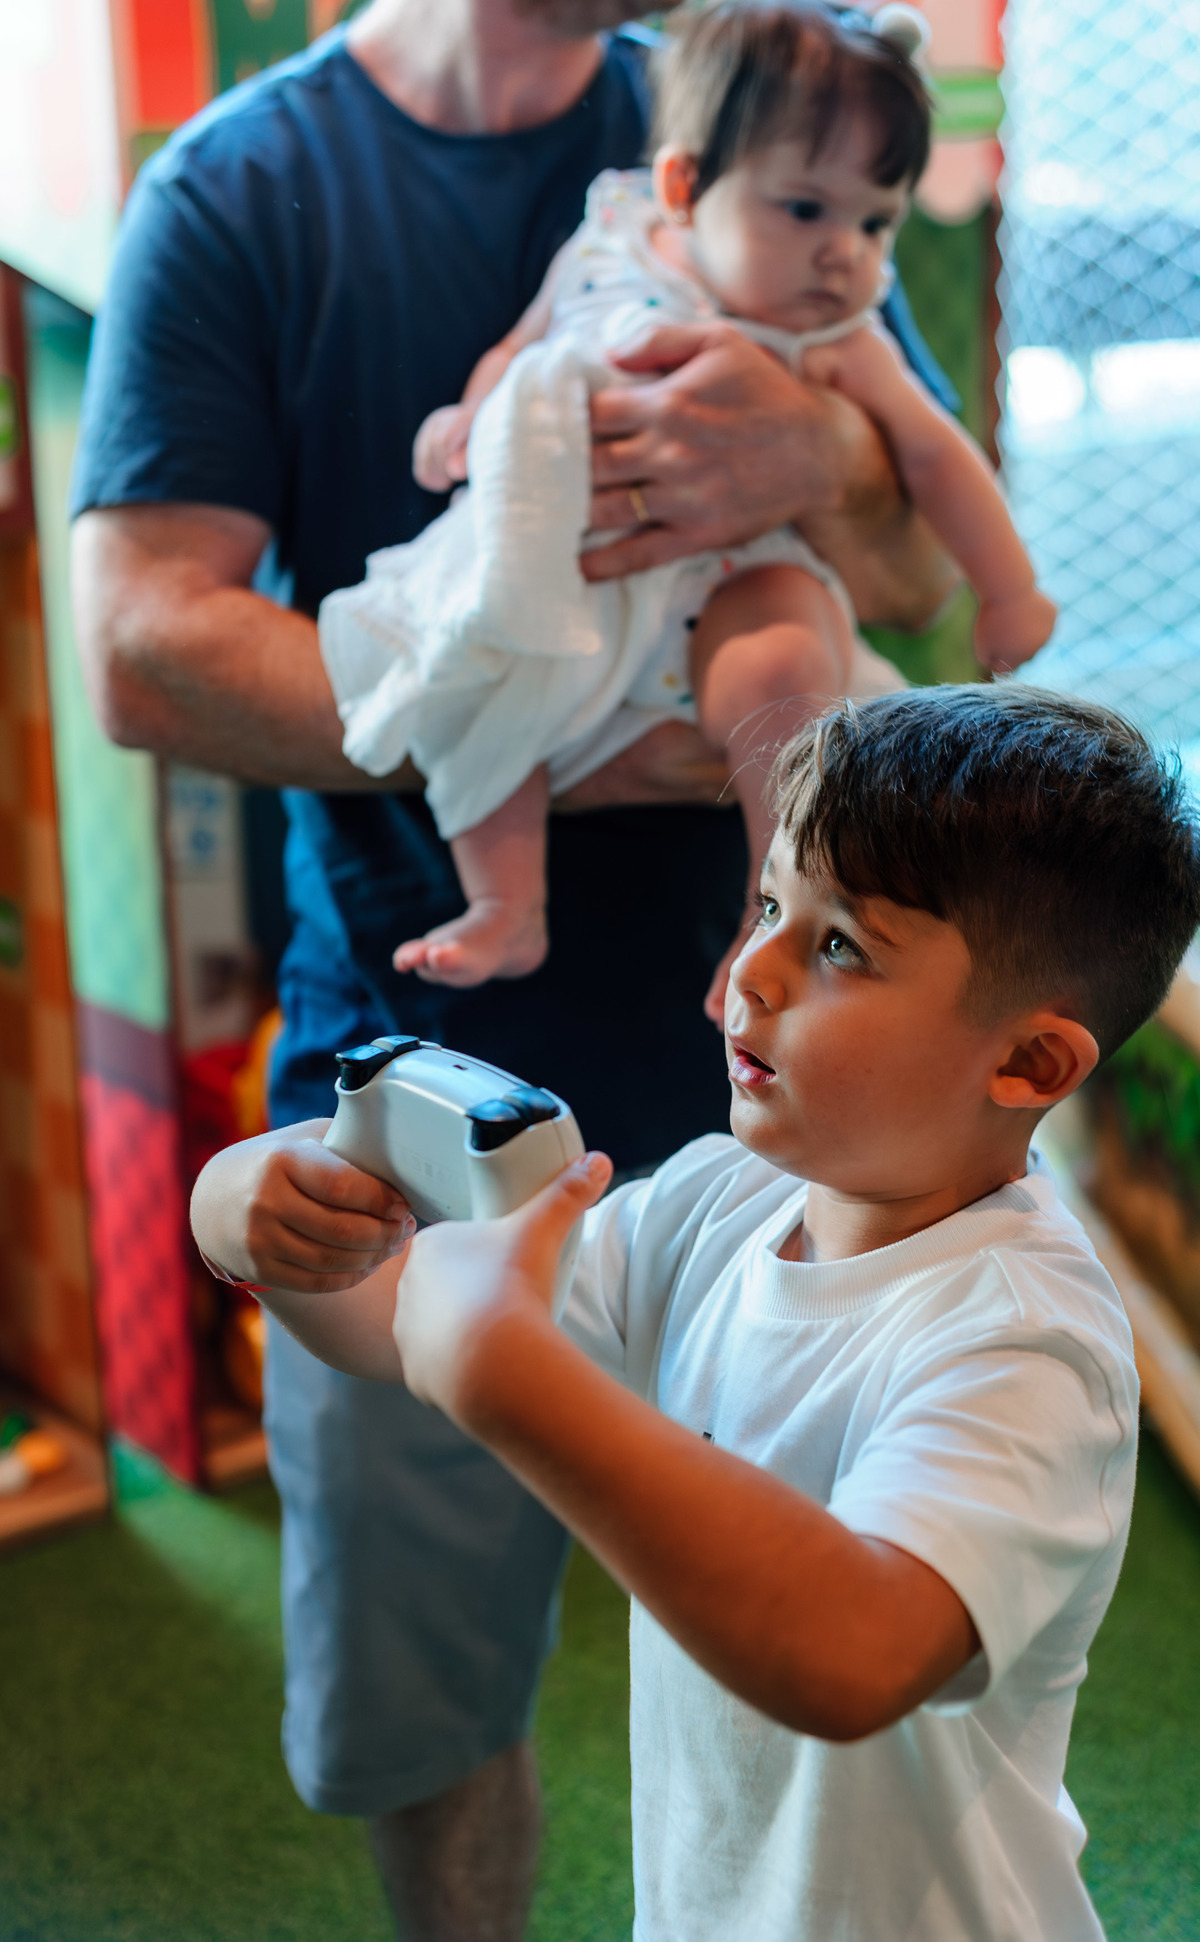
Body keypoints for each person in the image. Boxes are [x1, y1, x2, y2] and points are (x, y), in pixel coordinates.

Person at [69, 1, 959, 1932]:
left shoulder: (767, 109)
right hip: (414, 1093)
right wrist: (527, 736)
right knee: (427, 1709)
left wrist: (813, 450)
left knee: (832, 1677)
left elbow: (923, 565)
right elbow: (142, 648)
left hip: (803, 1100)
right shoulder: (243, 190)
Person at [193, 684, 1200, 1942]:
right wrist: (251, 1210)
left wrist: (509, 1380)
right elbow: (386, 1316)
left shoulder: (1024, 1340)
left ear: (1028, 1064)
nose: (750, 972)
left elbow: (858, 1652)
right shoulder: (719, 1201)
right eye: (769, 905)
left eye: (842, 947)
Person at [321, 3, 1054, 1009]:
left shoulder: (835, 337)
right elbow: (524, 342)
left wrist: (1009, 593)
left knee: (784, 666)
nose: (845, 254)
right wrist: (469, 415)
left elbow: (937, 456)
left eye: (874, 222)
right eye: (805, 209)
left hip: (741, 579)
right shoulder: (610, 243)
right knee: (479, 670)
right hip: (571, 578)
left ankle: (773, 905)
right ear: (683, 187)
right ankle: (506, 903)